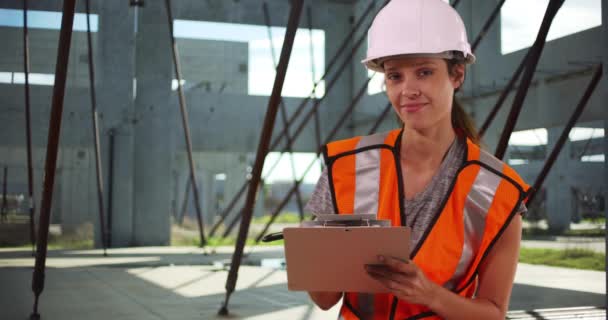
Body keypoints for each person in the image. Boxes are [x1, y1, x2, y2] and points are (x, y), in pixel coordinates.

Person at [304, 0, 530, 319]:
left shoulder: (499, 191)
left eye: (424, 72)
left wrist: (429, 294)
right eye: (395, 76)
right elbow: (325, 299)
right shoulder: (345, 168)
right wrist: (315, 256)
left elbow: (493, 312)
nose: (408, 90)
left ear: (457, 75)